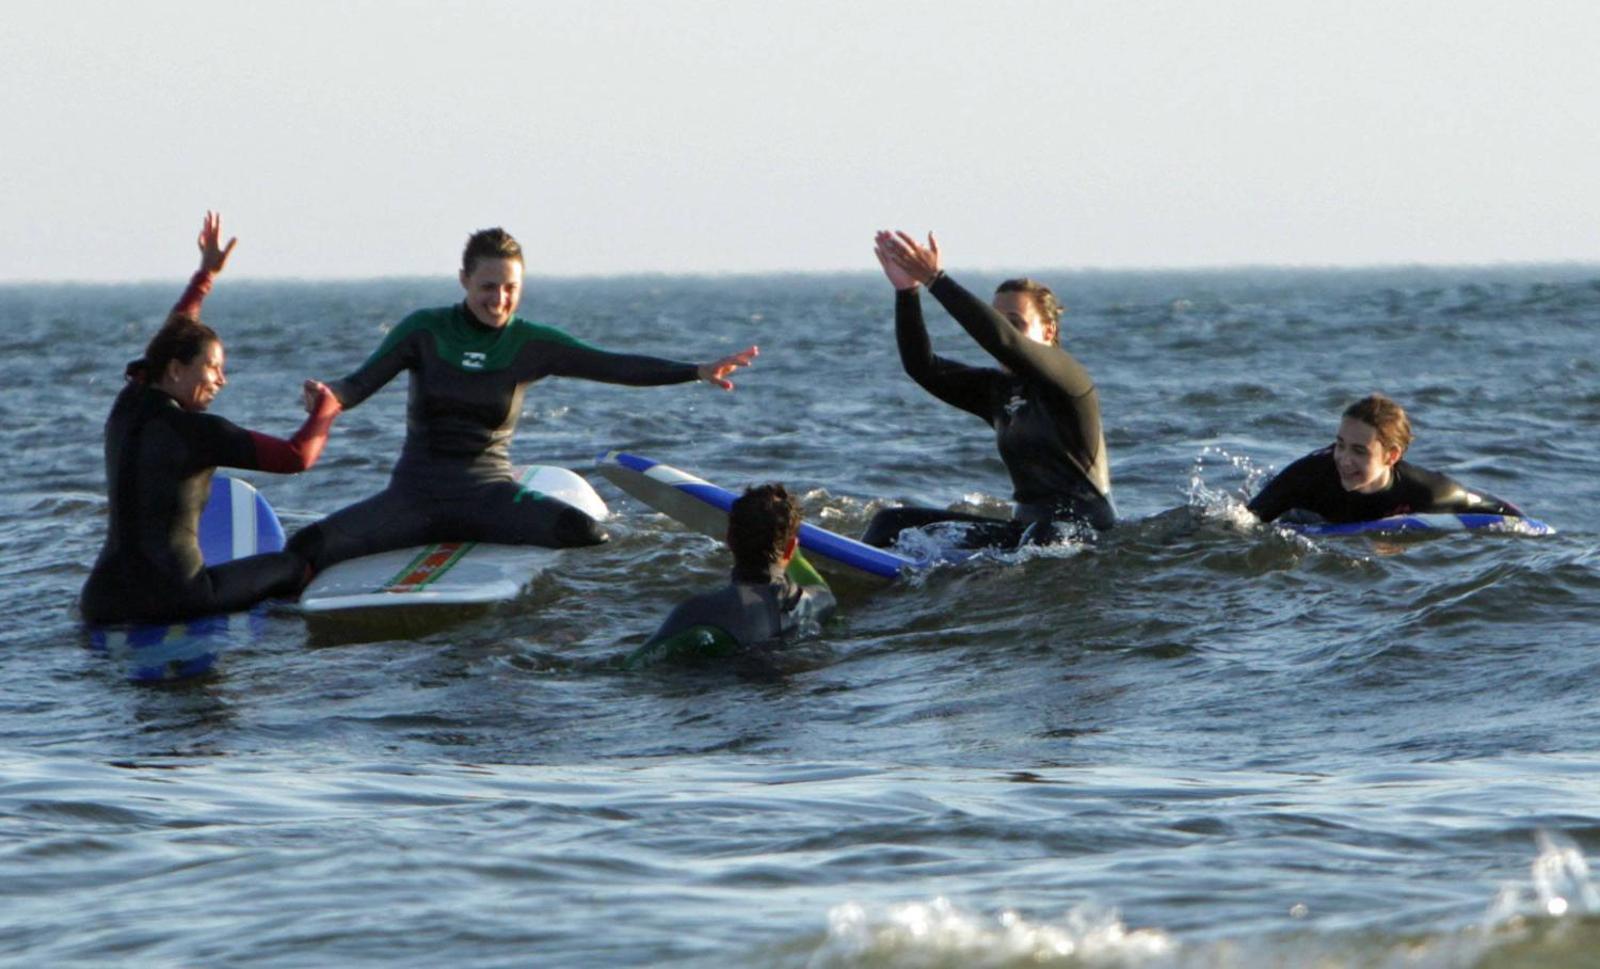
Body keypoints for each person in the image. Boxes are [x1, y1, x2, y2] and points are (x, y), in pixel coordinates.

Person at [287, 227, 757, 571]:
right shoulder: (425, 329)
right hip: (414, 498)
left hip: (488, 496)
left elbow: (613, 365)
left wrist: (694, 371)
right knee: (305, 548)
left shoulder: (532, 343)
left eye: (510, 288)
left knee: (585, 534)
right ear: (464, 281)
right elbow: (357, 386)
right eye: (488, 286)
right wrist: (328, 397)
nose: (500, 299)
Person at [81, 213, 343, 625]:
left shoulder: (127, 403)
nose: (221, 379)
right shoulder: (198, 433)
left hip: (102, 601)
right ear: (176, 370)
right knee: (292, 566)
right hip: (176, 598)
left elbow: (174, 332)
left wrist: (205, 274)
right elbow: (297, 457)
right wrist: (328, 408)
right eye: (212, 368)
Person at [861, 230, 1114, 550]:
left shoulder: (1071, 381)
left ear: (1048, 330)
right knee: (890, 522)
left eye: (1014, 321)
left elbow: (1002, 341)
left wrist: (935, 278)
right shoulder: (999, 392)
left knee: (1041, 536)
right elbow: (921, 366)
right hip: (1024, 530)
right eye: (997, 319)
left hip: (1083, 531)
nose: (1004, 328)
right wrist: (907, 291)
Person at [627, 483, 836, 668]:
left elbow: (634, 665)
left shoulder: (699, 611)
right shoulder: (816, 603)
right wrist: (791, 550)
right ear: (791, 549)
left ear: (729, 539)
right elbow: (823, 590)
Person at [1247, 393, 1525, 524]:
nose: (1343, 459)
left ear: (1392, 456)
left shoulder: (1427, 490)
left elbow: (1501, 510)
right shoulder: (1308, 476)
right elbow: (1244, 521)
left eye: (1359, 451)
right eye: (1340, 444)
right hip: (1303, 517)